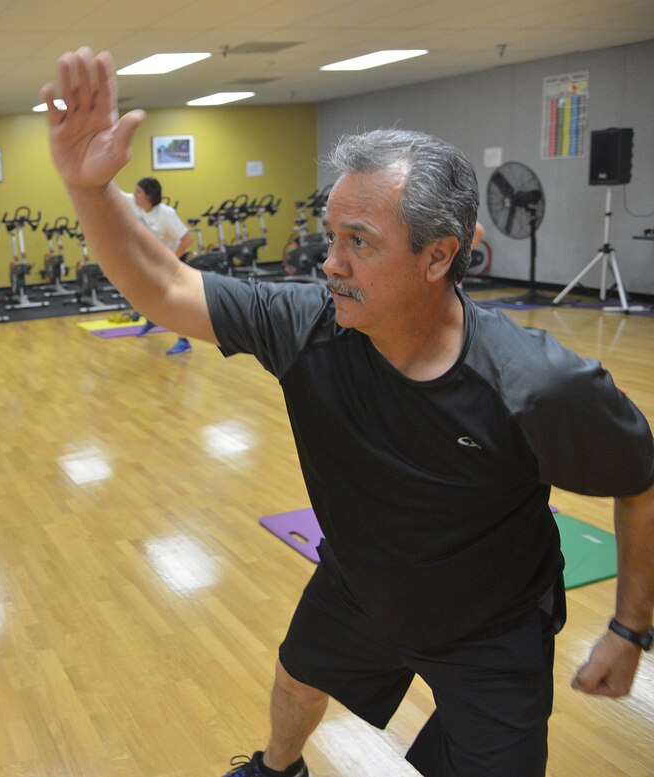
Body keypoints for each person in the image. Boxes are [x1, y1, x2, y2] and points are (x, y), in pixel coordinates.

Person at [40, 49, 654, 777]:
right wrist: (89, 189)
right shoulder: (308, 324)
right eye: (332, 235)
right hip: (360, 581)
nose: (331, 261)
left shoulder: (538, 385)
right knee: (297, 677)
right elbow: (165, 284)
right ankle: (278, 770)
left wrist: (629, 627)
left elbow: (640, 479)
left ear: (438, 257)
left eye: (358, 242)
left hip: (492, 623)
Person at [124, 177, 195, 355]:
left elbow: (187, 239)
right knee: (143, 292)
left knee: (174, 304)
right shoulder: (136, 205)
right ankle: (152, 319)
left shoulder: (166, 213)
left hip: (174, 262)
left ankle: (184, 341)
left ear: (149, 196)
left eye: (138, 192)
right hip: (155, 261)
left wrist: (172, 259)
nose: (134, 195)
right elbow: (114, 192)